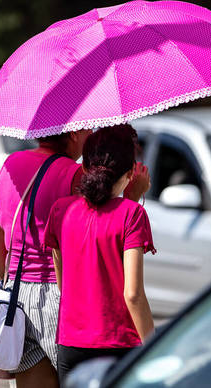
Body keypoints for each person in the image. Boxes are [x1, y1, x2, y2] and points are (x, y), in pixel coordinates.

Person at [0, 130, 149, 388]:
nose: (91, 133)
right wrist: (133, 196)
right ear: (74, 134)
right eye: (87, 129)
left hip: (15, 296)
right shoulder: (74, 173)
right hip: (59, 298)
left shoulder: (8, 167)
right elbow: (105, 228)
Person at [43, 124, 155, 384]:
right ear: (130, 172)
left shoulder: (60, 210)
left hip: (71, 342)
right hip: (119, 344)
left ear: (83, 168)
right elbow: (133, 294)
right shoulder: (133, 214)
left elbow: (63, 283)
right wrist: (154, 347)